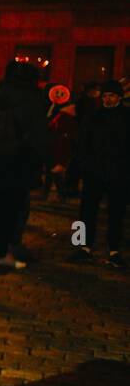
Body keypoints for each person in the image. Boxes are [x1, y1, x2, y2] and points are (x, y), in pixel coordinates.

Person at [0, 60, 47, 269]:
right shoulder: (30, 98)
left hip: (1, 158)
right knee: (12, 209)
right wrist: (46, 161)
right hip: (21, 159)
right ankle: (0, 253)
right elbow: (38, 133)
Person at [72, 80, 129, 268]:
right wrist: (81, 165)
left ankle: (114, 250)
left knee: (116, 212)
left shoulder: (126, 116)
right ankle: (81, 246)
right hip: (94, 170)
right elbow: (81, 142)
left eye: (111, 95)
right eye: (105, 95)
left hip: (118, 172)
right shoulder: (93, 116)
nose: (107, 99)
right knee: (86, 210)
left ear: (119, 97)